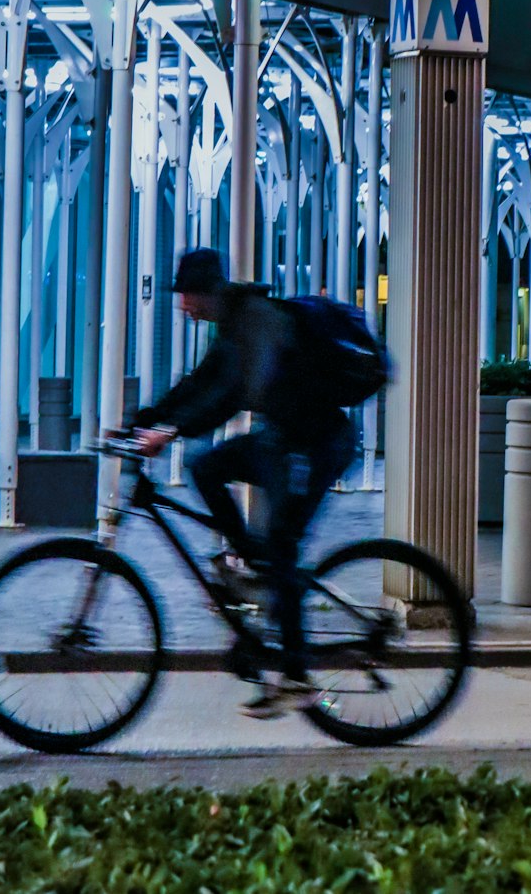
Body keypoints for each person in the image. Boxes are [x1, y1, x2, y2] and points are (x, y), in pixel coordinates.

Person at [134, 248, 355, 718]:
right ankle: (253, 564)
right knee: (205, 466)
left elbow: (232, 395)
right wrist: (142, 420)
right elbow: (200, 383)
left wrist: (170, 431)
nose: (182, 305)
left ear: (208, 292)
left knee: (282, 543)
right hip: (281, 439)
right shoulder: (232, 326)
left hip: (316, 445)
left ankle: (296, 676)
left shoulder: (255, 320)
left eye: (187, 295)